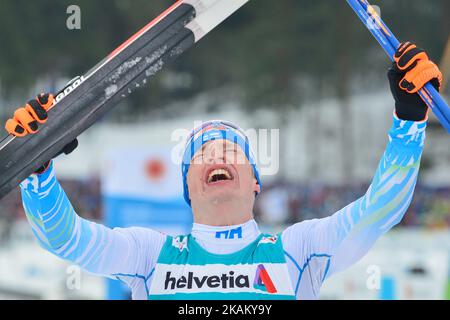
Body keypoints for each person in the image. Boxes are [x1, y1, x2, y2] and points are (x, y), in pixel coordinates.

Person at [5, 42, 443, 300]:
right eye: (202, 154)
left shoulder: (299, 247)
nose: (217, 157)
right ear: (188, 190)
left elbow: (378, 210)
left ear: (255, 181)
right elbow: (66, 239)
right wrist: (37, 170)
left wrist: (409, 118)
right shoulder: (148, 254)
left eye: (232, 152)